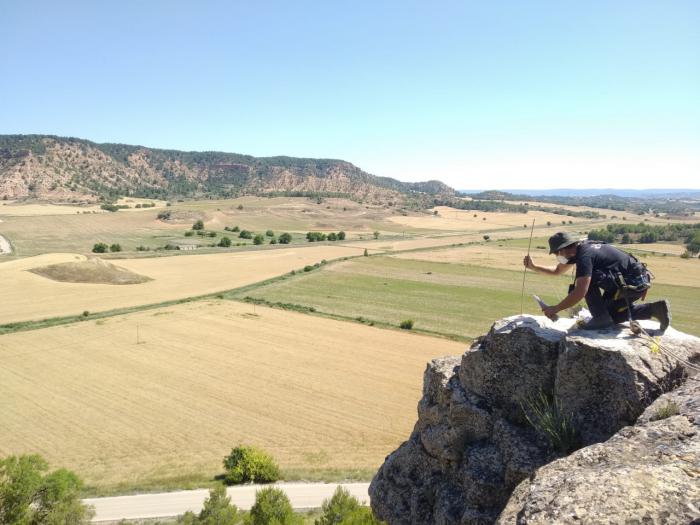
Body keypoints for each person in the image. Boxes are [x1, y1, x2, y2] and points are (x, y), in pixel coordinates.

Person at [523, 232, 671, 331]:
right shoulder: (580, 250)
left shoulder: (584, 256)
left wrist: (555, 309)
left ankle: (600, 317)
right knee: (612, 318)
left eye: (556, 252)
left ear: (565, 249)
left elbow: (581, 291)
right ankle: (655, 309)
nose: (556, 255)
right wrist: (534, 267)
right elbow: (557, 271)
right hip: (632, 283)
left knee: (588, 280)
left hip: (631, 284)